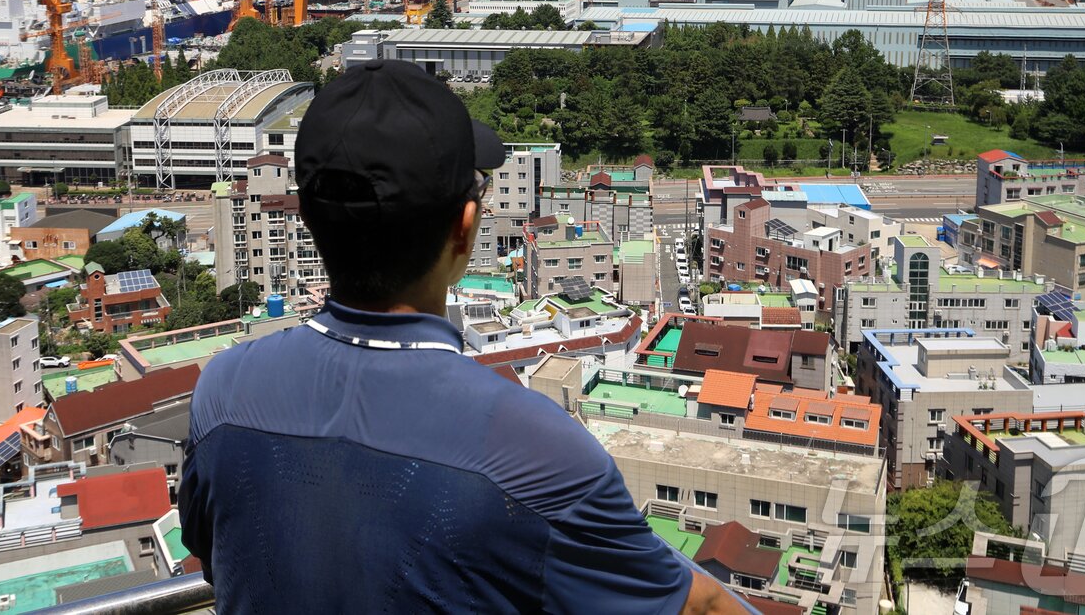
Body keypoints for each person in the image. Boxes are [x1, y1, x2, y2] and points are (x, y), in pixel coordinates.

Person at [181, 60, 739, 614]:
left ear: (305, 216)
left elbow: (213, 553)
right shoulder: (535, 449)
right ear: (465, 226)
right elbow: (698, 606)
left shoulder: (223, 392)